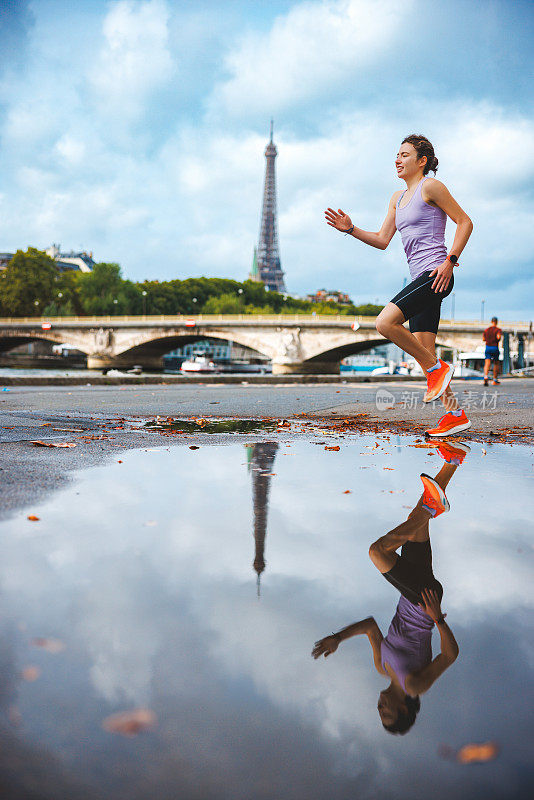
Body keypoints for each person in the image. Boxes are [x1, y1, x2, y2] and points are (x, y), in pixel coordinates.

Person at [312, 443, 467, 734]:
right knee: (377, 552)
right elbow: (450, 656)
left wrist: (338, 638)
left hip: (411, 591)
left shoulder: (382, 668)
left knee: (416, 520)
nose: (380, 709)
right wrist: (438, 619)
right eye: (387, 714)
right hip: (423, 600)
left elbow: (370, 627)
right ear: (404, 709)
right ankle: (435, 507)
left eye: (379, 713)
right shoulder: (415, 685)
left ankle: (453, 460)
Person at [325, 135, 473, 437]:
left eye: (405, 155)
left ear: (422, 161)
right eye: (397, 155)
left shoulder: (430, 187)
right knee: (424, 350)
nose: (398, 160)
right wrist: (351, 229)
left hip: (436, 274)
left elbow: (465, 222)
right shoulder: (397, 198)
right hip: (421, 278)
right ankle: (455, 414)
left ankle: (438, 369)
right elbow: (382, 240)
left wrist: (450, 261)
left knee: (385, 322)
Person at [483, 316, 502, 386]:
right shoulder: (498, 330)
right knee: (496, 363)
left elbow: (483, 339)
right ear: (497, 322)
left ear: (491, 322)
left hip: (487, 347)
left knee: (487, 363)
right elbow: (498, 337)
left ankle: (485, 377)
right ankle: (495, 380)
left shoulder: (486, 330)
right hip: (494, 347)